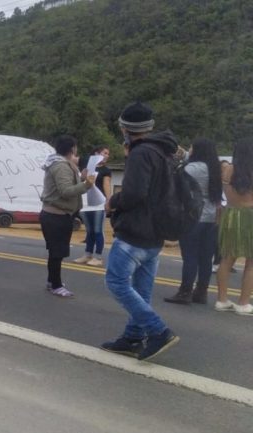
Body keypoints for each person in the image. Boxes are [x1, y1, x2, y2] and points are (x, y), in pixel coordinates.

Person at [101, 102, 179, 361]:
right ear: (151, 126)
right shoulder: (165, 152)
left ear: (125, 128)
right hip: (155, 233)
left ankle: (158, 330)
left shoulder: (141, 153)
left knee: (116, 281)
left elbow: (134, 193)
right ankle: (133, 337)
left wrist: (113, 202)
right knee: (141, 290)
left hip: (135, 231)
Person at [164, 138, 222, 305]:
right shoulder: (215, 168)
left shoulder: (193, 168)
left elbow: (176, 183)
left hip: (193, 216)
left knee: (190, 255)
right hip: (211, 217)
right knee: (206, 257)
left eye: (191, 147)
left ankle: (185, 291)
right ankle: (201, 292)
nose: (189, 150)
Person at [40, 135, 94, 297]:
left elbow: (67, 186)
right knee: (57, 252)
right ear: (72, 149)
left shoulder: (60, 163)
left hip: (57, 215)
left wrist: (82, 179)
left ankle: (52, 281)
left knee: (56, 252)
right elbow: (65, 191)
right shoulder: (61, 166)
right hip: (56, 216)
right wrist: (86, 185)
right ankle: (56, 285)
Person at [215, 141, 253, 315]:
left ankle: (222, 300)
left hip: (230, 215)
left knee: (226, 259)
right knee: (251, 263)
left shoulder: (228, 169)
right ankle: (244, 303)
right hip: (250, 215)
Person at [74, 146, 111, 266]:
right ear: (97, 153)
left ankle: (98, 257)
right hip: (86, 202)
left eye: (108, 154)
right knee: (89, 231)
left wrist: (109, 201)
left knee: (97, 230)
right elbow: (74, 161)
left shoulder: (106, 170)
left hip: (99, 204)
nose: (107, 155)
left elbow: (107, 186)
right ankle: (87, 254)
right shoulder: (88, 165)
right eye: (105, 153)